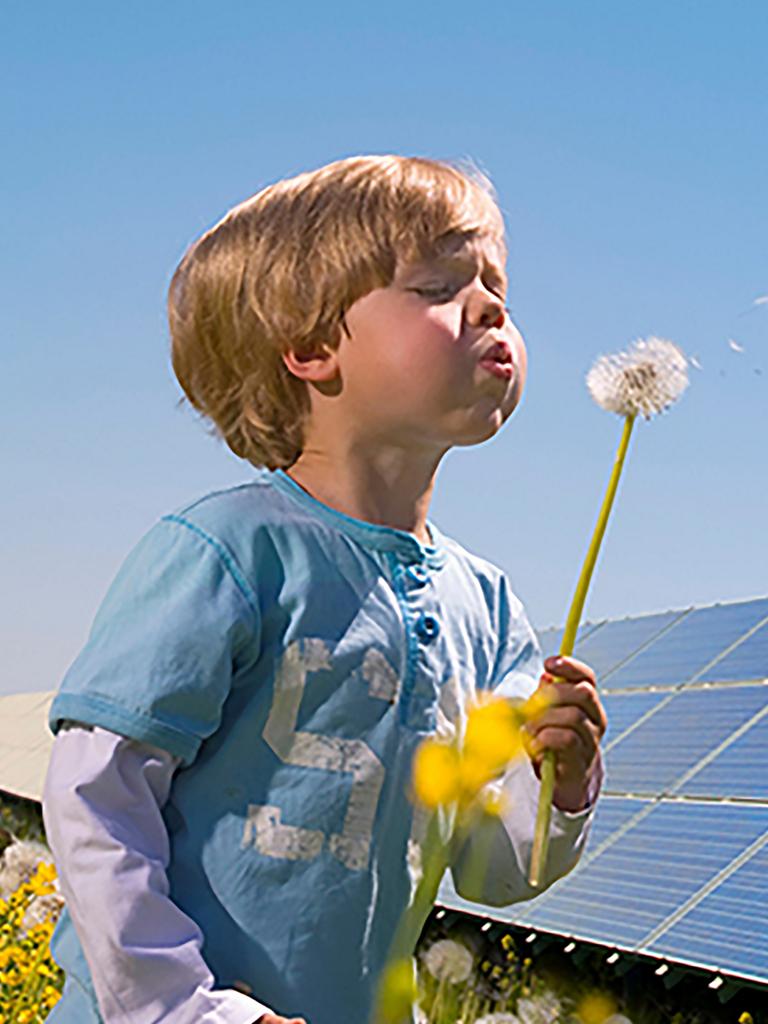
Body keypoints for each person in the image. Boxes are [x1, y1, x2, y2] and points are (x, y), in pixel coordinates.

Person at [42, 154, 607, 1024]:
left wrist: (558, 783)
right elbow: (97, 798)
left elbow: (497, 868)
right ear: (310, 350)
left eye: (496, 284)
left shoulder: (490, 610)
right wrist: (183, 1008)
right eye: (439, 285)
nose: (492, 306)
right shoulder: (228, 552)